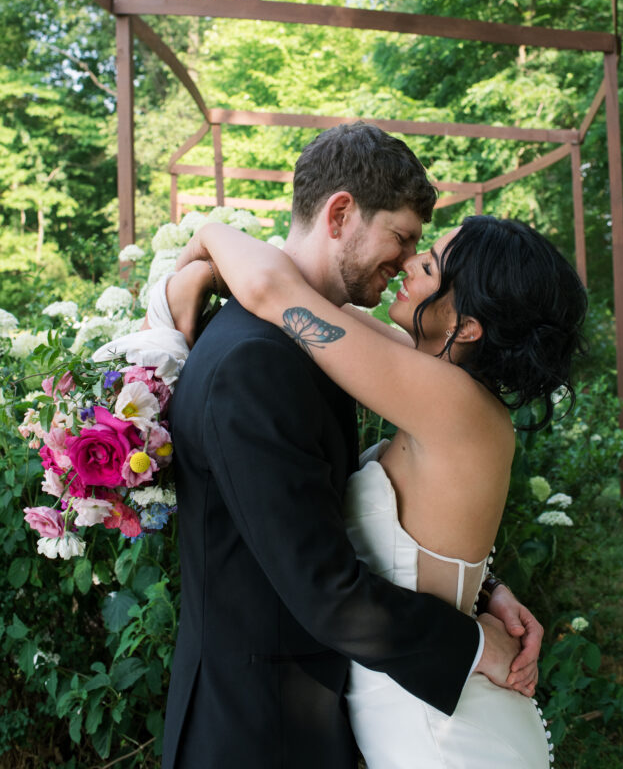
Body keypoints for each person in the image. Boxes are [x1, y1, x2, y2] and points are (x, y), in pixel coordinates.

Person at [133, 124, 549, 769]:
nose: (409, 261)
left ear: (467, 324)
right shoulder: (264, 358)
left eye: (426, 255)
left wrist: (210, 242)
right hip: (259, 726)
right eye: (405, 239)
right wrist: (477, 614)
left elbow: (276, 288)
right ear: (341, 213)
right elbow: (334, 579)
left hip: (399, 725)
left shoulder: (363, 359)